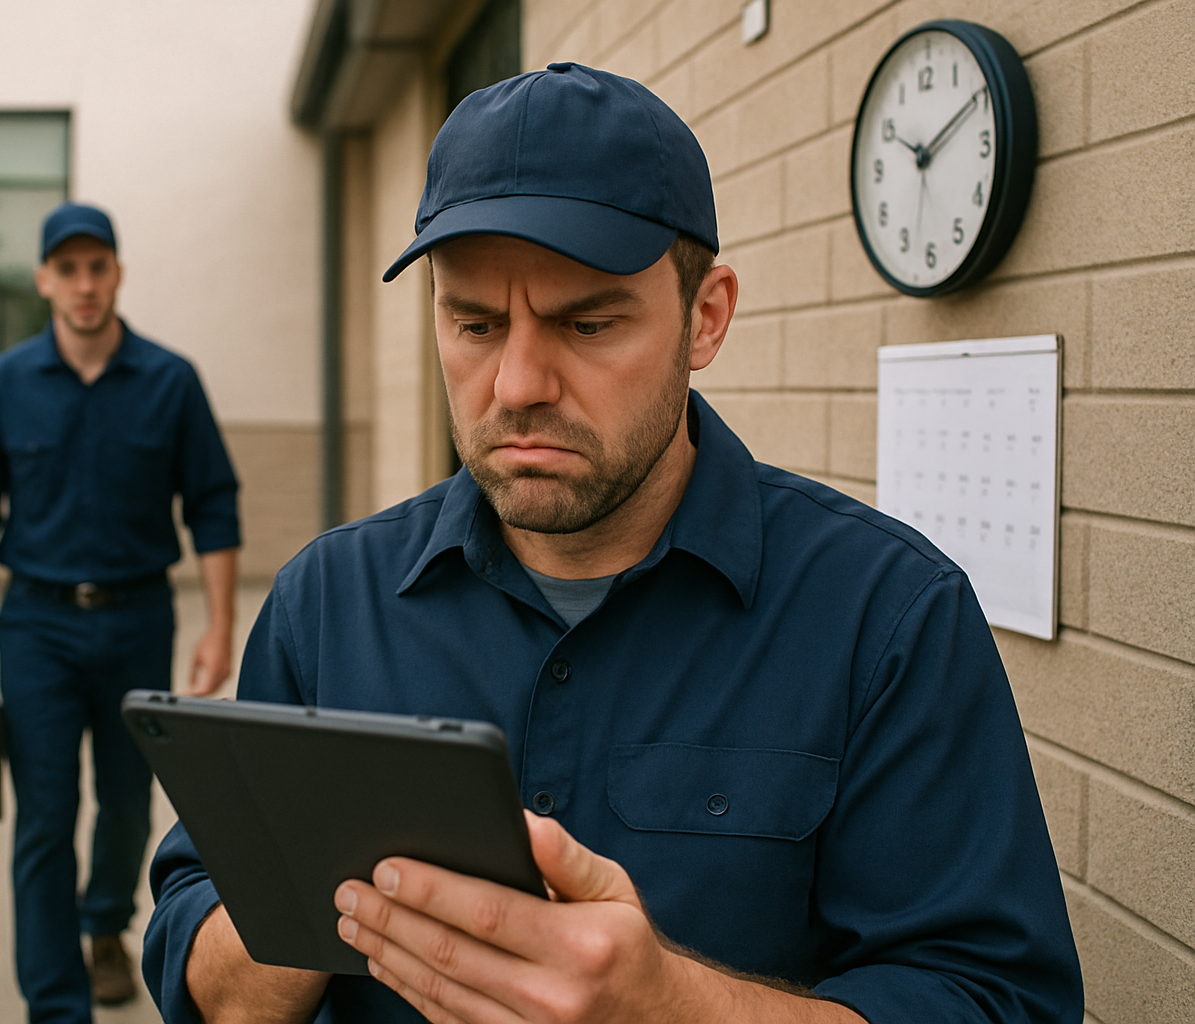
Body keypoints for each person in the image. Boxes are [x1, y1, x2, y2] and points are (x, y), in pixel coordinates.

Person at [143, 64, 1081, 1024]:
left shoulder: (884, 616)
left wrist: (674, 1008)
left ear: (705, 316)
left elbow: (992, 998)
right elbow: (194, 957)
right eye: (473, 323)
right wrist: (312, 902)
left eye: (586, 323)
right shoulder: (327, 606)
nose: (515, 383)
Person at [0, 202, 241, 1023]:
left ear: (117, 274)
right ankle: (56, 1005)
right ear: (43, 280)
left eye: (96, 266)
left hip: (140, 619)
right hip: (36, 623)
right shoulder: (3, 386)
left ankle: (105, 921)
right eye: (66, 269)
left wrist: (219, 625)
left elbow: (212, 505)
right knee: (45, 815)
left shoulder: (170, 381)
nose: (83, 284)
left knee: (128, 800)